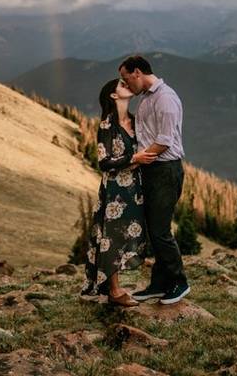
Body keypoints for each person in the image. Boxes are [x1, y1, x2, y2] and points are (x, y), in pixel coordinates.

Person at [118, 55, 190, 305]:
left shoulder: (165, 98)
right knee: (153, 229)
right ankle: (160, 283)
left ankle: (179, 282)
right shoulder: (147, 98)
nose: (125, 84)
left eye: (126, 78)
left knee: (160, 231)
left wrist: (136, 160)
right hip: (151, 169)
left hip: (165, 170)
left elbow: (165, 140)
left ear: (137, 72)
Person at [81, 78, 157, 306]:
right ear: (113, 96)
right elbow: (104, 162)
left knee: (128, 235)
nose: (127, 85)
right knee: (111, 238)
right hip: (115, 192)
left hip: (135, 188)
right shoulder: (107, 125)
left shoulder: (135, 121)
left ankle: (117, 287)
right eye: (122, 85)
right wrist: (134, 158)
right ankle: (114, 291)